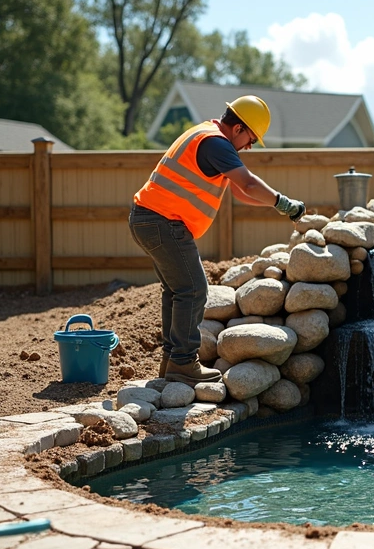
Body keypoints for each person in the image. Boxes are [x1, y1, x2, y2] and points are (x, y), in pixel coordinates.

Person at [129, 95, 305, 385]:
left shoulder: (205, 136)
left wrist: (274, 205)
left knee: (176, 291)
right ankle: (184, 363)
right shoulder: (216, 143)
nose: (249, 146)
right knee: (194, 289)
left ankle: (172, 361)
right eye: (250, 138)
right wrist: (283, 202)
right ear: (237, 129)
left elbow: (240, 191)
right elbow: (247, 183)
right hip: (163, 222)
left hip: (149, 219)